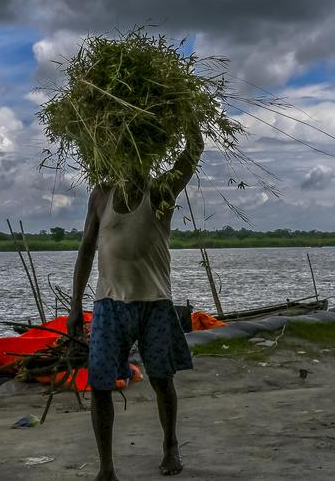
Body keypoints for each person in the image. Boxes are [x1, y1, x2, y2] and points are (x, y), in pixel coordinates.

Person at [68, 123, 204, 479]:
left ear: (148, 155)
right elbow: (86, 249)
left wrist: (189, 118)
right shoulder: (101, 194)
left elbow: (193, 151)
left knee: (161, 378)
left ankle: (170, 445)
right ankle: (106, 468)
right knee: (100, 385)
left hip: (154, 303)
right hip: (109, 304)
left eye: (139, 155)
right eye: (125, 155)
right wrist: (75, 306)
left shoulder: (160, 190)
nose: (132, 163)